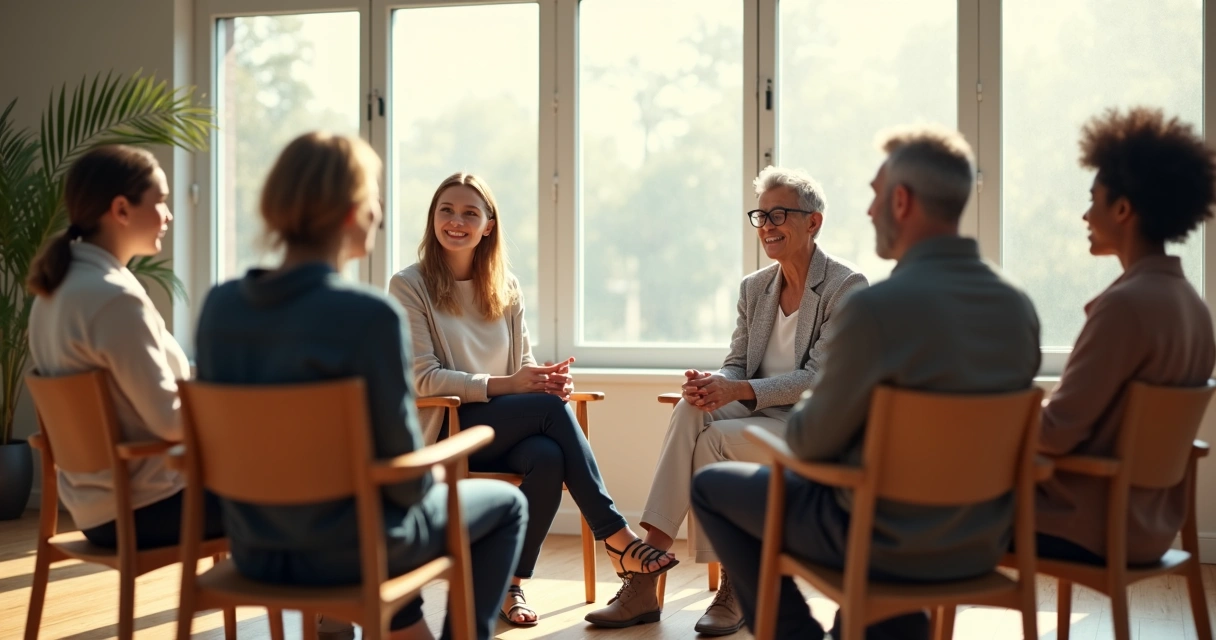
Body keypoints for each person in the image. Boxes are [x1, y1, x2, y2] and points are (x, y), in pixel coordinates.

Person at [691, 126, 1042, 639]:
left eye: (877, 195)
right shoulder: (1018, 307)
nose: (871, 210)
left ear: (902, 201)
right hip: (980, 537)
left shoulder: (876, 309)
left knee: (712, 487)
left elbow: (810, 444)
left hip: (882, 537)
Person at [194, 134, 528, 640]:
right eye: (373, 196)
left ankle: (369, 620)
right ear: (354, 214)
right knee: (507, 506)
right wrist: (451, 460)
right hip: (351, 547)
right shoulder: (367, 316)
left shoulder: (220, 307)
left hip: (256, 544)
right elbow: (402, 478)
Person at [584, 166, 867, 634]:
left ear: (813, 222)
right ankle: (647, 578)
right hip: (756, 410)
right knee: (690, 407)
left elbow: (820, 378)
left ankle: (727, 585)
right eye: (761, 216)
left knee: (712, 441)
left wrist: (738, 390)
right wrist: (714, 383)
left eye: (780, 214)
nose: (767, 225)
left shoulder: (846, 286)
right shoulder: (754, 288)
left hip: (810, 425)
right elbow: (737, 362)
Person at [388, 172, 678, 627]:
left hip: (506, 423)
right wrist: (516, 387)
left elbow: (523, 362)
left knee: (547, 456)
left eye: (469, 213)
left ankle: (510, 584)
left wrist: (547, 381)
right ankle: (617, 536)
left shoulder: (505, 287)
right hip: (448, 427)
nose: (456, 221)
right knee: (546, 413)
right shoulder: (409, 285)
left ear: (488, 225)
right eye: (446, 210)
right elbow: (424, 379)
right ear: (433, 219)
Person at [1036, 107, 1216, 565]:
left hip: (1082, 525)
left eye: (1093, 199)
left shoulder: (1125, 307)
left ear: (1121, 209)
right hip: (1149, 528)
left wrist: (994, 417)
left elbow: (1056, 435)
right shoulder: (1192, 307)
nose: (1084, 214)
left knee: (936, 505)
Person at [27, 145, 224, 550]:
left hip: (95, 510)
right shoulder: (113, 298)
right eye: (162, 201)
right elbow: (169, 421)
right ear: (121, 209)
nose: (168, 215)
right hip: (149, 508)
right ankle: (338, 606)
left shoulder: (54, 292)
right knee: (293, 491)